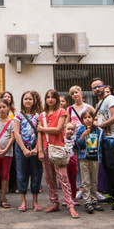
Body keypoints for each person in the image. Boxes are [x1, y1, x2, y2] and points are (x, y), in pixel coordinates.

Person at [38, 89, 78, 218]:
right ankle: (54, 202)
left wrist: (43, 128)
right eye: (48, 97)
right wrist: (39, 150)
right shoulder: (42, 114)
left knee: (63, 178)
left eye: (53, 97)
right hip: (45, 147)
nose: (50, 99)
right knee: (49, 178)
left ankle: (70, 205)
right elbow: (39, 135)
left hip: (58, 148)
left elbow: (58, 129)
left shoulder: (61, 112)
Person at [92, 78, 114, 209]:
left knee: (113, 167)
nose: (97, 89)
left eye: (99, 86)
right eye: (94, 88)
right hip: (103, 139)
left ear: (104, 86)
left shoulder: (111, 99)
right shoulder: (99, 103)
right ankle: (112, 194)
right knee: (106, 167)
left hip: (111, 138)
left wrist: (100, 125)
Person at [14, 91, 43, 212]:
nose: (28, 101)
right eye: (25, 99)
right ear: (22, 101)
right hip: (22, 148)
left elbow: (40, 132)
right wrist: (24, 149)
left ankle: (35, 202)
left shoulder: (39, 116)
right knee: (22, 174)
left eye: (30, 99)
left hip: (35, 147)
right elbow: (16, 132)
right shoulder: (18, 116)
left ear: (34, 101)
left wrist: (37, 148)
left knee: (36, 174)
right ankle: (23, 202)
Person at [75, 109, 103, 214]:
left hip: (94, 157)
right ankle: (87, 202)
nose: (87, 120)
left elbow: (102, 142)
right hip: (84, 158)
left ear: (93, 118)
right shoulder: (80, 130)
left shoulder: (98, 130)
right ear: (82, 120)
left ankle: (94, 200)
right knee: (85, 181)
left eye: (89, 117)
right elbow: (78, 144)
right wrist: (83, 136)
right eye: (85, 118)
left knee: (94, 180)